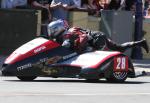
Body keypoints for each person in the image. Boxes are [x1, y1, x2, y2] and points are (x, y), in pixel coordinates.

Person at [47, 19, 149, 54]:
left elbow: (85, 38)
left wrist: (78, 49)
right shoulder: (65, 34)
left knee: (92, 52)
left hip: (97, 38)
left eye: (52, 30)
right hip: (98, 36)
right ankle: (141, 42)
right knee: (120, 48)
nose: (51, 33)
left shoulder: (69, 32)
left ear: (57, 29)